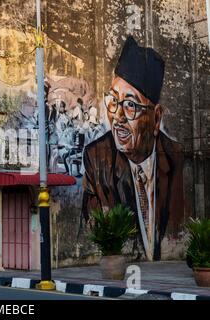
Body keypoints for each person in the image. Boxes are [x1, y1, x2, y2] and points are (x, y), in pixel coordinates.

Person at [81, 36, 184, 261]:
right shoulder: (96, 158)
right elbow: (90, 228)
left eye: (130, 105)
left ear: (156, 118)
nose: (117, 117)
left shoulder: (176, 158)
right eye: (113, 101)